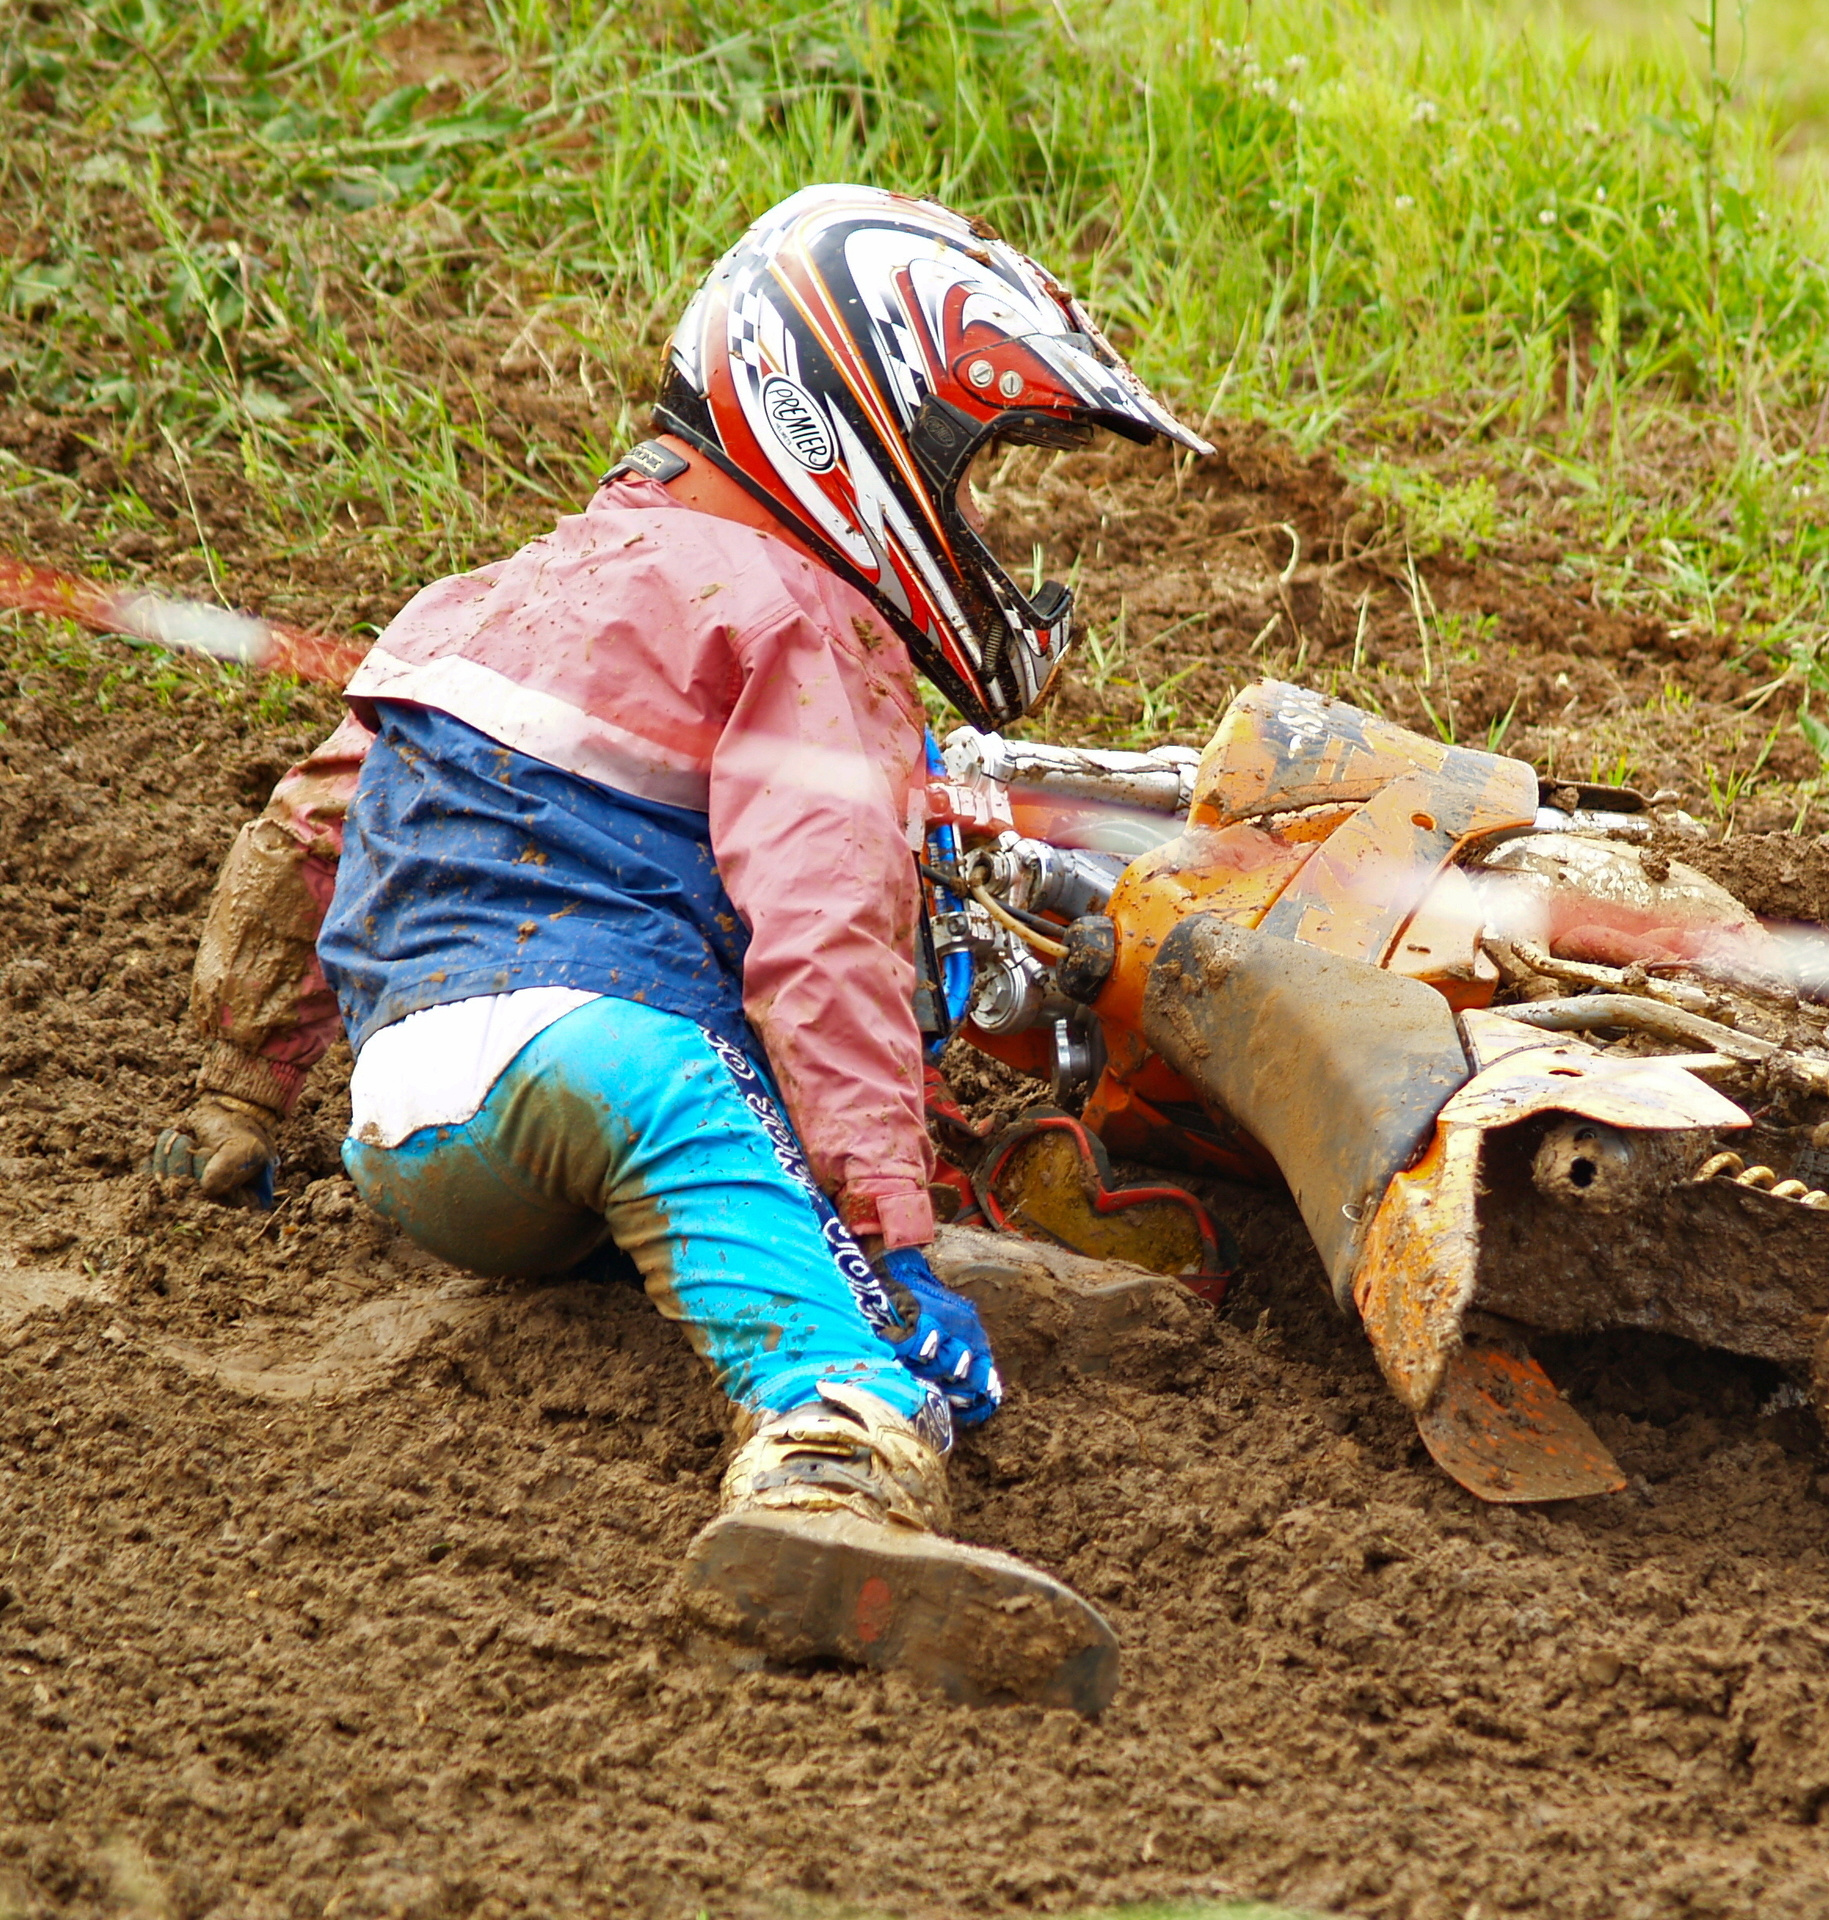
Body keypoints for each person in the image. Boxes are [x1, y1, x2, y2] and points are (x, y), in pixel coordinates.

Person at [152, 184, 1212, 1715]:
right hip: (603, 1066)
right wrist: (894, 1222)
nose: (977, 529)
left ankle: (865, 1291)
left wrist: (239, 1095)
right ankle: (830, 1462)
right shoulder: (800, 620)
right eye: (971, 481)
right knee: (710, 1107)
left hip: (410, 1126)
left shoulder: (491, 590)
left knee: (695, 1130)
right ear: (860, 421)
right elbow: (827, 943)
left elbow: (307, 828)